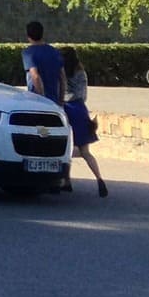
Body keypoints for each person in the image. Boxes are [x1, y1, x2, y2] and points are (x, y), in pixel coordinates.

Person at [61, 47, 108, 197]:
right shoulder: (81, 72)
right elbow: (84, 93)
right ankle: (99, 179)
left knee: (66, 150)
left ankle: (66, 181)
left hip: (66, 109)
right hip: (80, 108)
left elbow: (60, 90)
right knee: (86, 151)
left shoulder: (61, 72)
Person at [21, 20, 65, 104]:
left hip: (37, 100)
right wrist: (61, 99)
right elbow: (62, 77)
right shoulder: (55, 52)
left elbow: (35, 76)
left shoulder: (28, 53)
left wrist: (42, 99)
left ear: (28, 36)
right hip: (54, 99)